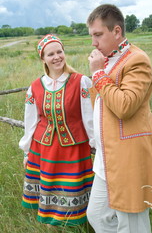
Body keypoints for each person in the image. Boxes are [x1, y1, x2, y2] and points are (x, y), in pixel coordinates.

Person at [86, 4, 152, 233]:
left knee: (132, 225)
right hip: (106, 158)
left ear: (116, 31)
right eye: (92, 36)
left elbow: (124, 106)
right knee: (97, 215)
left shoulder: (137, 60)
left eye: (98, 35)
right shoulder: (109, 60)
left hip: (129, 156)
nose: (94, 43)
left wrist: (98, 74)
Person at [19, 34, 95, 228]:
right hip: (43, 149)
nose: (56, 57)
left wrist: (97, 144)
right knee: (50, 186)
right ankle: (50, 225)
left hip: (74, 148)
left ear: (64, 52)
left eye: (59, 51)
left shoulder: (80, 82)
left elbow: (89, 116)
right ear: (43, 59)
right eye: (50, 54)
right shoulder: (35, 87)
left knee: (73, 188)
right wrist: (27, 150)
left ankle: (76, 225)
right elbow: (31, 120)